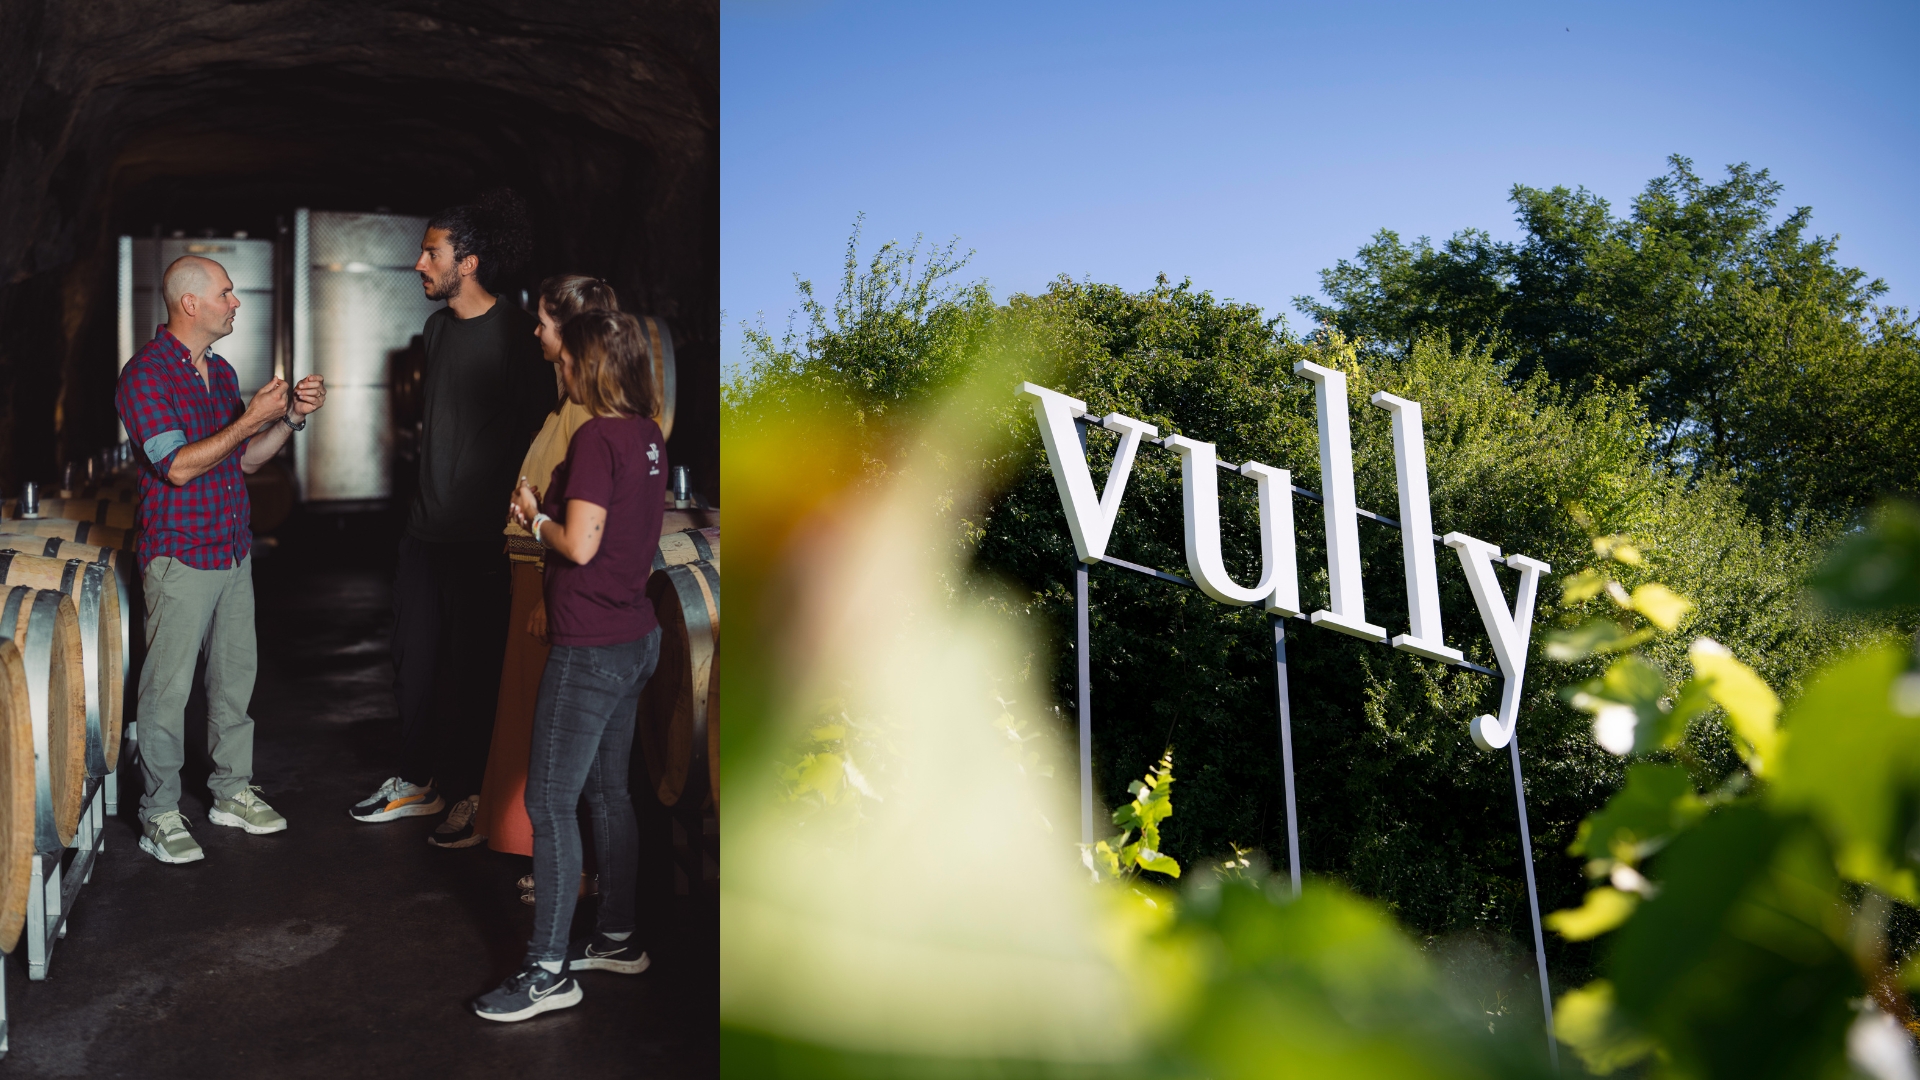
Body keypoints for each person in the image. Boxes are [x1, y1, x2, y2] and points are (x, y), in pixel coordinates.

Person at [472, 310, 666, 1022]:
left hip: (589, 647)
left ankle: (549, 971)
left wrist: (530, 514)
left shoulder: (594, 438)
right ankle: (617, 936)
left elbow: (580, 544)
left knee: (550, 802)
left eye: (567, 356)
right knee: (610, 793)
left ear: (589, 364)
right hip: (635, 638)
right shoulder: (648, 436)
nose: (558, 364)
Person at [349, 189, 552, 841]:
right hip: (423, 533)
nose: (418, 263)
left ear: (468, 261)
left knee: (472, 673)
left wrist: (516, 532)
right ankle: (416, 781)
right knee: (413, 660)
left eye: (430, 251)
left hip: (479, 539)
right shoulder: (435, 331)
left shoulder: (520, 335)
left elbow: (535, 444)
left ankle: (468, 792)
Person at [114, 254, 327, 865]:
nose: (236, 302)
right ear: (190, 304)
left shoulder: (223, 370)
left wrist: (288, 419)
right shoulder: (145, 376)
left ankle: (230, 791)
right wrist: (250, 419)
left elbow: (248, 460)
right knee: (166, 692)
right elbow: (178, 466)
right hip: (180, 557)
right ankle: (158, 811)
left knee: (234, 684)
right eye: (227, 293)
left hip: (233, 552)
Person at [474, 275, 619, 857]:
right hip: (531, 571)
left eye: (544, 322)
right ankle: (538, 850)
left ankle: (565, 863)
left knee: (556, 732)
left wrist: (546, 597)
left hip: (549, 578)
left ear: (572, 332)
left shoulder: (586, 411)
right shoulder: (567, 397)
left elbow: (588, 528)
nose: (535, 330)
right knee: (530, 721)